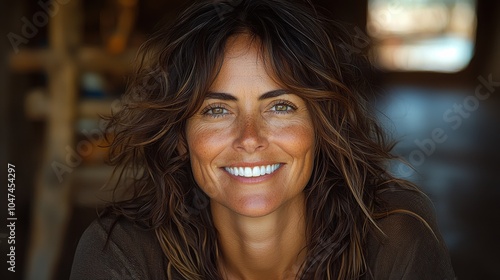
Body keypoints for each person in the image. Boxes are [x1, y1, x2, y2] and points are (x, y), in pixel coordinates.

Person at [70, 0, 455, 279]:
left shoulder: (393, 236)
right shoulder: (123, 254)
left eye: (280, 107)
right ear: (181, 137)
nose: (249, 138)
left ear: (321, 127)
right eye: (217, 110)